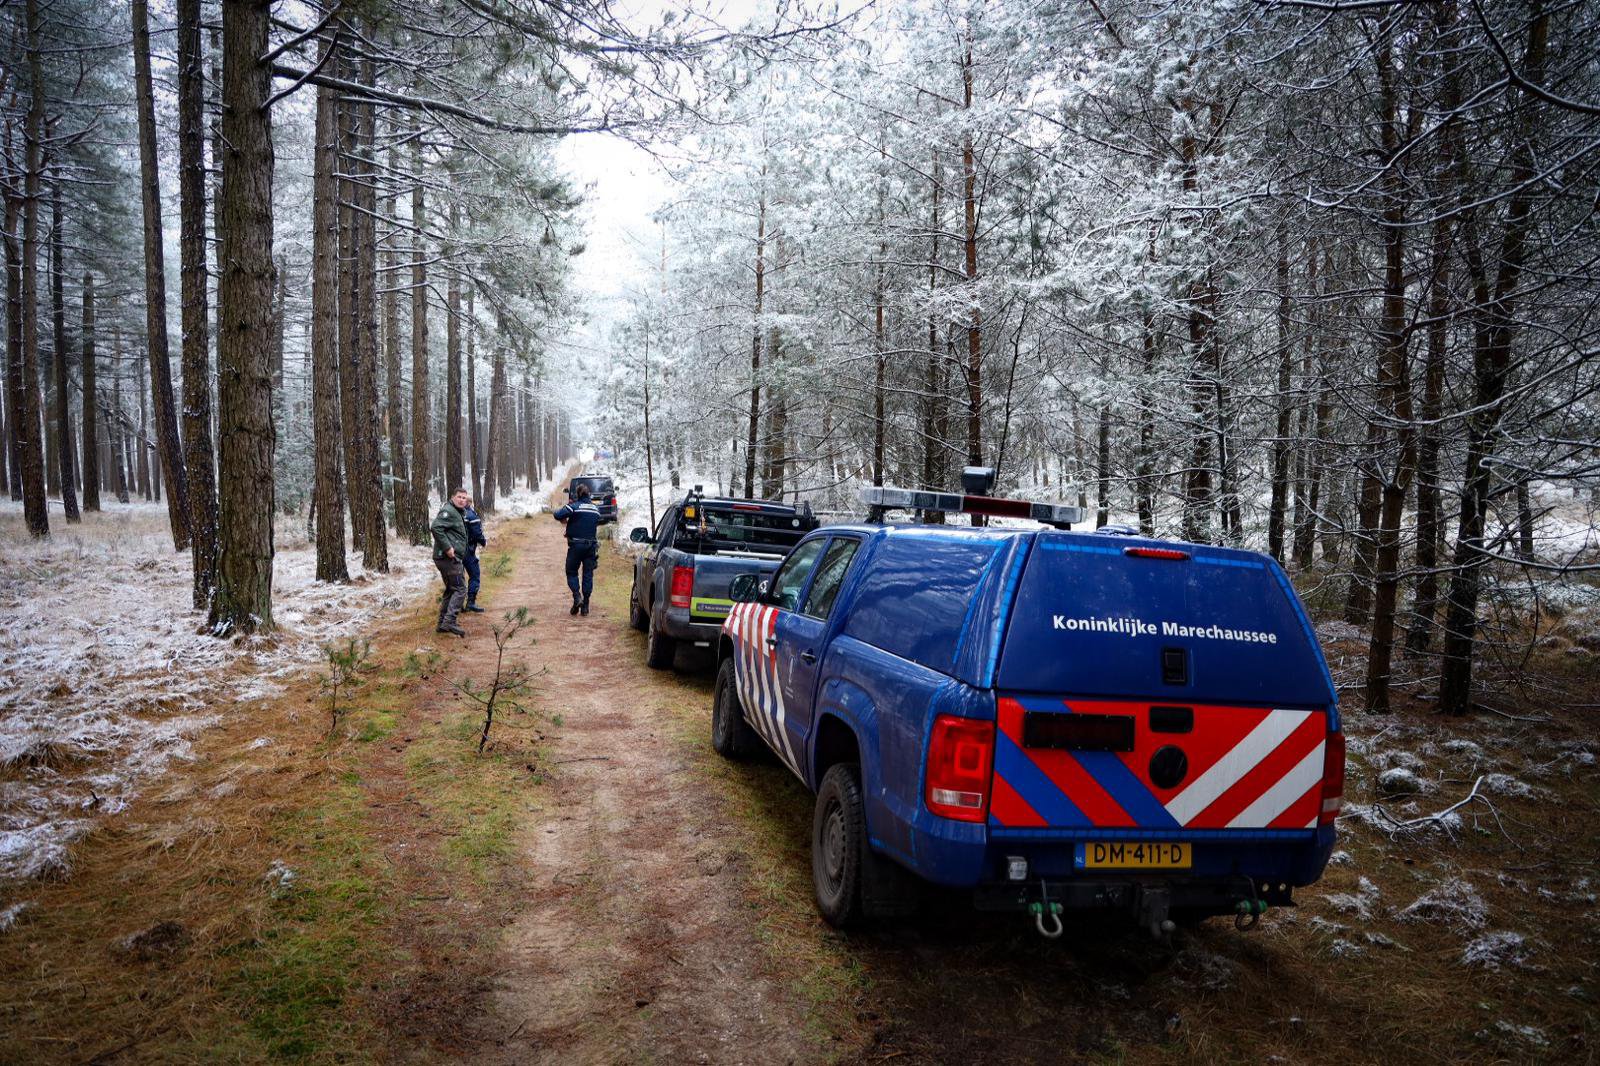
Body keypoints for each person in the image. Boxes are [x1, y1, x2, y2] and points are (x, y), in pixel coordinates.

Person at [552, 482, 602, 616]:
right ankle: (585, 606)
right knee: (588, 575)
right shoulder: (595, 509)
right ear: (589, 494)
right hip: (591, 547)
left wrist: (567, 522)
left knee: (572, 572)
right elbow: (594, 521)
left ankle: (576, 597)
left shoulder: (574, 506)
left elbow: (557, 515)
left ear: (578, 495)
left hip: (576, 546)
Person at [431, 487, 471, 636]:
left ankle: (442, 623)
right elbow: (436, 527)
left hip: (448, 558)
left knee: (452, 589)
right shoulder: (448, 511)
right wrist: (448, 548)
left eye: (464, 498)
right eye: (459, 497)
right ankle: (450, 622)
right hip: (447, 558)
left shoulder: (458, 512)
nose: (462, 500)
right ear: (453, 497)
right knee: (460, 589)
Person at [462, 497, 487, 612]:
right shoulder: (471, 515)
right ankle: (470, 603)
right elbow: (477, 533)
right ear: (470, 503)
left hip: (455, 550)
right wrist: (483, 541)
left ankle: (457, 605)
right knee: (475, 575)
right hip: (468, 550)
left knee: (458, 578)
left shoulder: (457, 514)